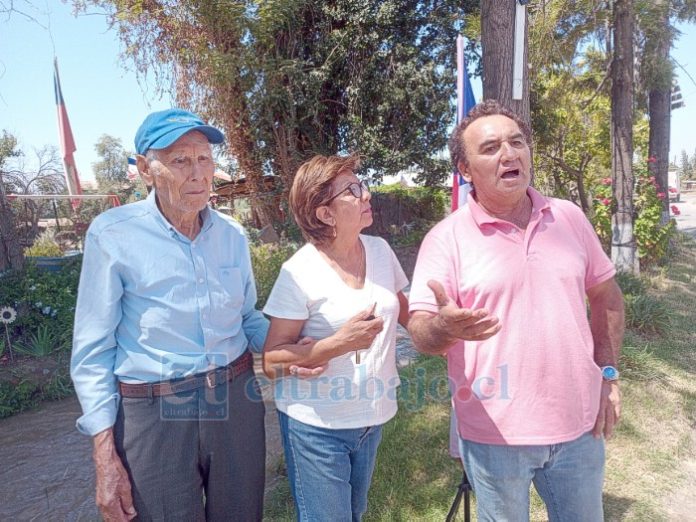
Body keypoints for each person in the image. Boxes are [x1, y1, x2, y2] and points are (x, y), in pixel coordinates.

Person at [408, 100, 625, 522]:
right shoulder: (445, 239)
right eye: (490, 148)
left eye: (517, 142)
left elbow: (607, 296)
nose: (509, 154)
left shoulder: (568, 218)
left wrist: (609, 375)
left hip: (580, 427)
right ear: (465, 169)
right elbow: (419, 332)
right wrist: (444, 327)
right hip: (494, 436)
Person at [71, 108, 269, 521]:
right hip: (154, 411)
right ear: (146, 169)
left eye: (204, 159)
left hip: (235, 399)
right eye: (180, 160)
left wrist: (304, 341)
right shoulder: (112, 235)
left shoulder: (232, 235)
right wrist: (104, 454)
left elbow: (248, 318)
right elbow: (92, 353)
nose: (197, 173)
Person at [262, 154, 409, 521]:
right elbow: (270, 362)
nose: (367, 194)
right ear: (325, 214)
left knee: (353, 515)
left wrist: (448, 325)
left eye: (362, 184)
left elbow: (414, 317)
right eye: (353, 189)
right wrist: (335, 344)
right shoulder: (299, 271)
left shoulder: (380, 250)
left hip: (371, 419)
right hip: (316, 428)